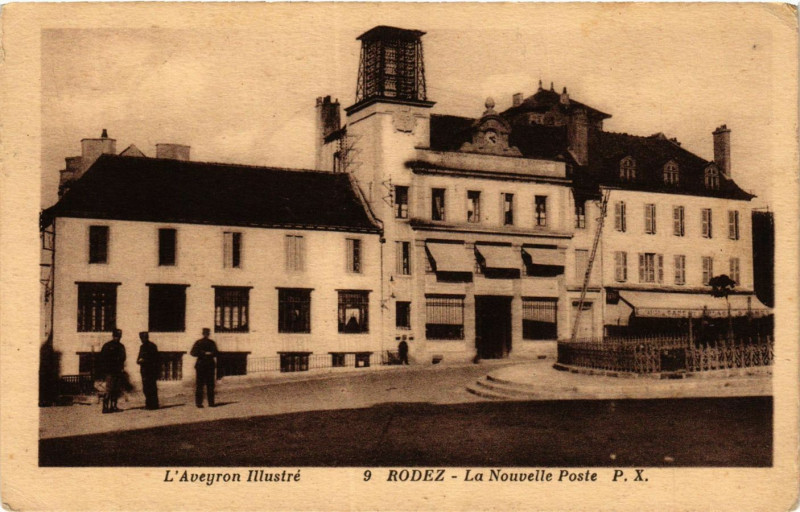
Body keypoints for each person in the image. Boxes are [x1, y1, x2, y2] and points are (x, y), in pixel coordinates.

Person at [99, 329, 126, 413]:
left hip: (118, 371)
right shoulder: (107, 346)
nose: (117, 338)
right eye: (116, 336)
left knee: (116, 389)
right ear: (113, 336)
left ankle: (114, 406)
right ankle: (105, 407)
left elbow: (123, 358)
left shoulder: (121, 346)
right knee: (109, 389)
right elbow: (102, 358)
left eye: (119, 337)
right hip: (110, 371)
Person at [190, 328, 218, 408]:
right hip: (207, 365)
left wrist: (202, 353)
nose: (206, 334)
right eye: (206, 333)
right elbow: (216, 353)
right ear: (208, 334)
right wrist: (207, 353)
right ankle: (210, 403)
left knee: (201, 385)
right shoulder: (211, 343)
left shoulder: (199, 342)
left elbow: (193, 353)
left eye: (206, 333)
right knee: (209, 385)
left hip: (201, 365)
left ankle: (200, 403)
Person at [136, 331, 160, 410]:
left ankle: (152, 405)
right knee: (148, 388)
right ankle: (151, 404)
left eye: (144, 338)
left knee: (150, 388)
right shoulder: (143, 347)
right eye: (142, 338)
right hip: (146, 371)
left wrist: (144, 360)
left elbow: (156, 359)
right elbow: (138, 359)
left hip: (149, 370)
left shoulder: (151, 346)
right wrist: (140, 361)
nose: (143, 339)